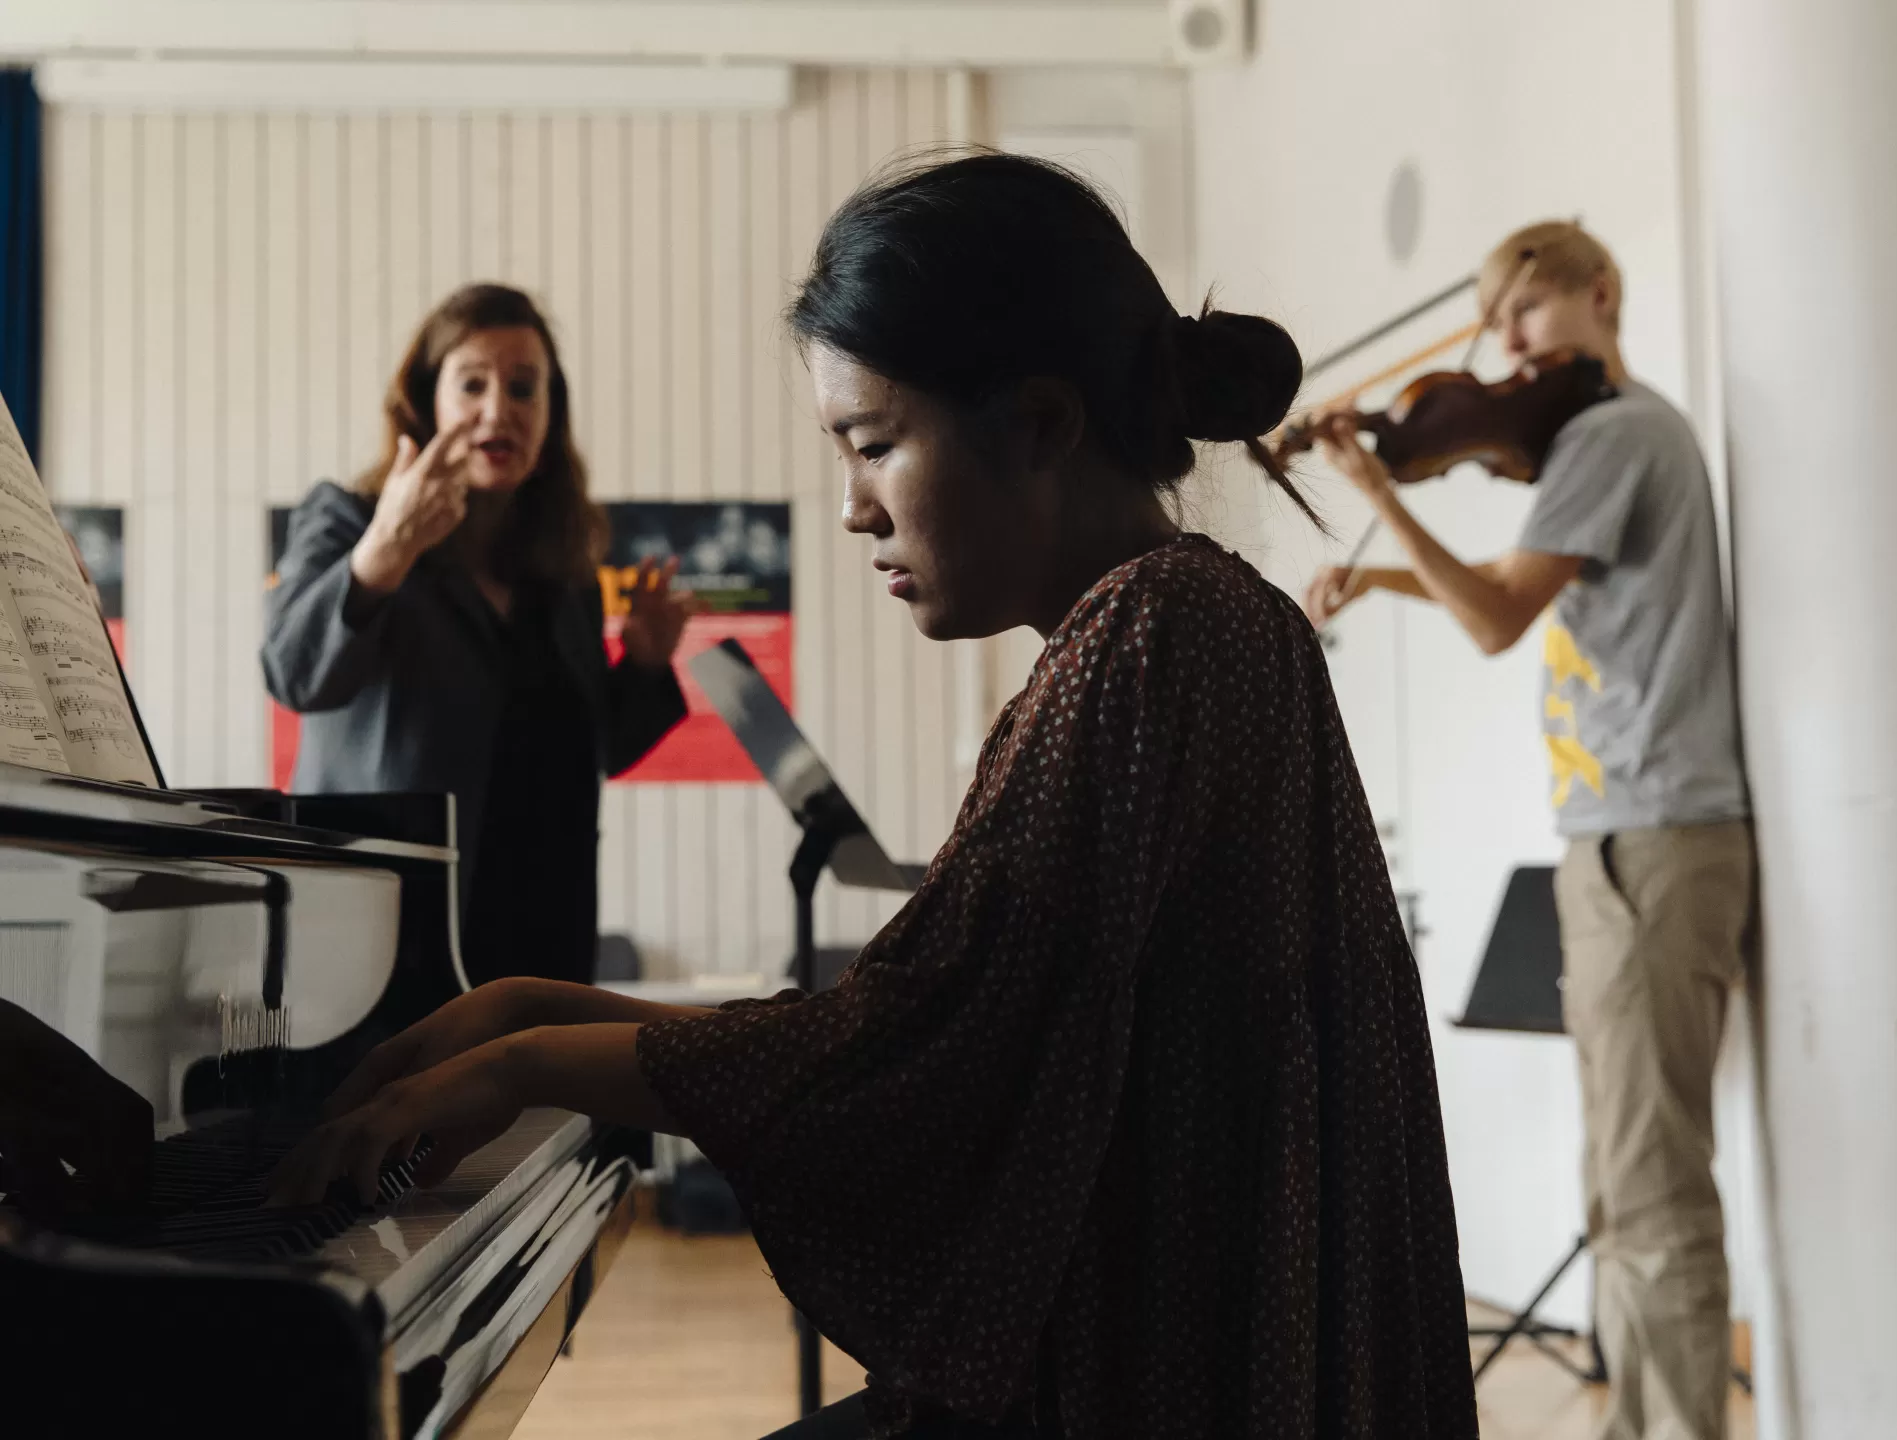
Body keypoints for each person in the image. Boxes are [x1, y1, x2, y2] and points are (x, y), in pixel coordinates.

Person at [270, 154, 1476, 1440]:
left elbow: (919, 1063)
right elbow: (943, 1020)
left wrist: (526, 1060)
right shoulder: (1195, 617)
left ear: (1039, 423)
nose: (853, 510)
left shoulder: (1147, 642)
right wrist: (528, 1012)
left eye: (875, 445)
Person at [1305, 221, 1752, 1440]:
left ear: (1600, 294)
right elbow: (1511, 581)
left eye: (1529, 314)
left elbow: (1501, 616)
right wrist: (1388, 573)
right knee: (1624, 1183)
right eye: (1495, 324)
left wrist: (1380, 496)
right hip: (1633, 836)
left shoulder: (1609, 433)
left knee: (1649, 1195)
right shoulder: (1612, 439)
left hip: (1647, 835)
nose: (1507, 349)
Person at [262, 284, 695, 988]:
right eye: (472, 385)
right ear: (428, 401)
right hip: (389, 941)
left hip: (542, 943)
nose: (499, 410)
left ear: (551, 416)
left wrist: (643, 666)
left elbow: (594, 752)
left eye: (524, 389)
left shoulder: (565, 575)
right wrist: (385, 551)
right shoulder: (347, 520)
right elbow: (294, 674)